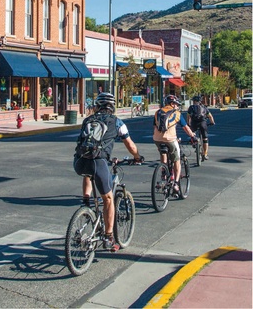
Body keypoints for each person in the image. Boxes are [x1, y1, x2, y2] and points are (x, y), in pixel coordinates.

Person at [73, 92, 144, 253]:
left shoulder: (87, 120)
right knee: (108, 199)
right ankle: (108, 237)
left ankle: (85, 202)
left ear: (98, 106)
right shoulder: (117, 122)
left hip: (79, 162)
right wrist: (137, 157)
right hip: (99, 162)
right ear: (112, 106)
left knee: (88, 173)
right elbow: (130, 145)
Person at [153, 95, 197, 196]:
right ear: (172, 104)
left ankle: (163, 173)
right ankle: (176, 184)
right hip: (170, 139)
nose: (177, 106)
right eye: (176, 104)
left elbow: (155, 127)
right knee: (176, 160)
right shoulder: (177, 113)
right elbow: (186, 128)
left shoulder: (158, 112)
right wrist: (193, 136)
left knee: (163, 152)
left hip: (157, 139)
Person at [187, 95, 215, 161]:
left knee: (192, 134)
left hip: (194, 123)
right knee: (205, 139)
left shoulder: (191, 107)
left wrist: (188, 123)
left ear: (194, 101)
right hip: (202, 123)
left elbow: (188, 116)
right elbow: (210, 116)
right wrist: (212, 122)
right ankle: (205, 154)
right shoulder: (204, 107)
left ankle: (194, 143)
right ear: (200, 101)